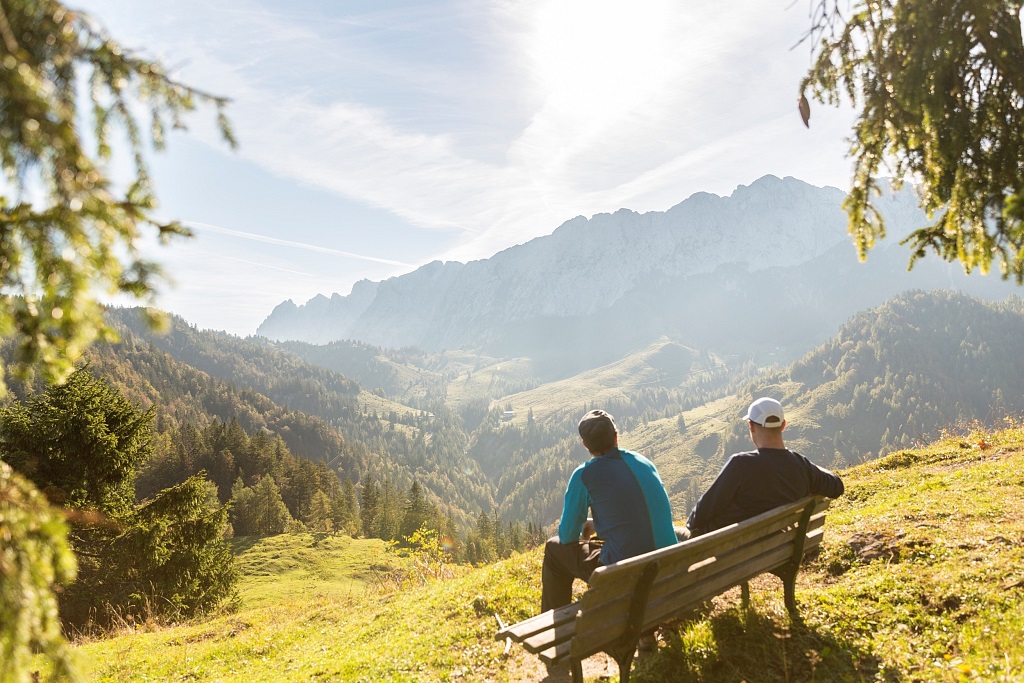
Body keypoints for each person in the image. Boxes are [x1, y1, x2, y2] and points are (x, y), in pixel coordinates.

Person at [541, 409, 678, 612]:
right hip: (670, 568)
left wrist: (587, 526)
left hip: (626, 576)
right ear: (616, 436)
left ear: (585, 444)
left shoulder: (584, 475)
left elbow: (567, 536)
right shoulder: (643, 461)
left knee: (554, 549)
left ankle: (554, 625)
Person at [684, 397, 844, 537]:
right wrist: (804, 464)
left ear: (751, 426)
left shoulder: (740, 465)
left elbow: (695, 520)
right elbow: (837, 486)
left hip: (726, 551)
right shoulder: (801, 465)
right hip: (773, 549)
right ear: (783, 426)